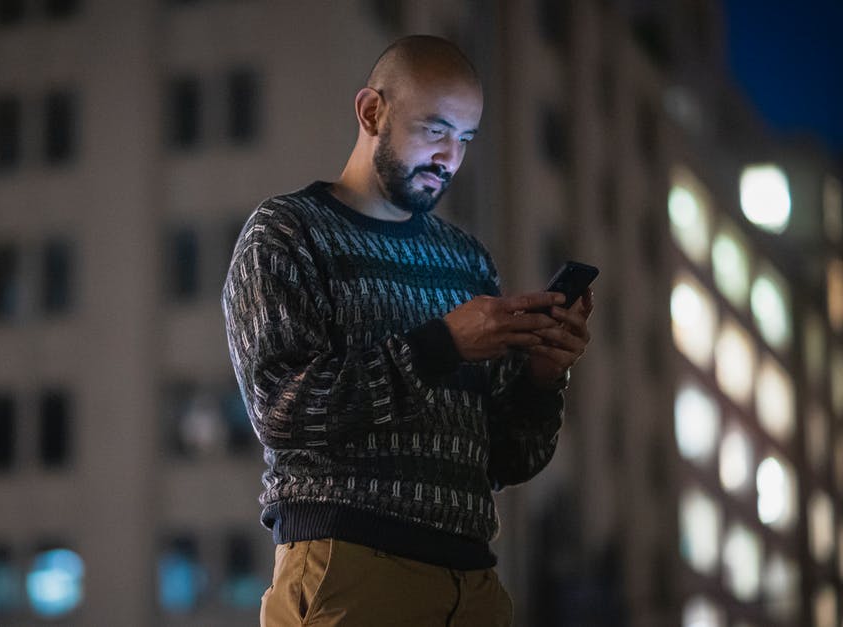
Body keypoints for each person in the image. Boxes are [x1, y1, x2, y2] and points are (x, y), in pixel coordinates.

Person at [221, 35, 593, 626]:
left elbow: (505, 458)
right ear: (372, 112)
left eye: (465, 139)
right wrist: (443, 344)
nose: (450, 156)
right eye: (435, 129)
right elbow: (283, 411)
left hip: (473, 584)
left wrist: (544, 378)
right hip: (349, 568)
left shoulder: (469, 263)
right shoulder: (288, 233)